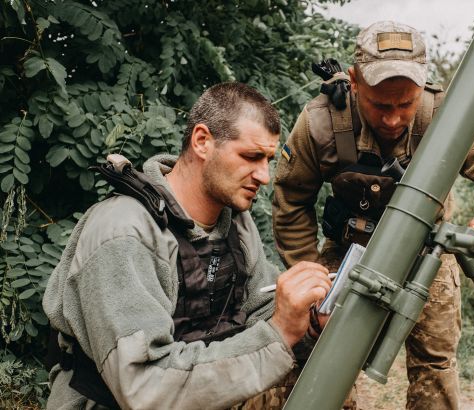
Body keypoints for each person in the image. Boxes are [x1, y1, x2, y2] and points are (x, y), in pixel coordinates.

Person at [272, 21, 474, 409]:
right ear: (355, 82)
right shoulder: (322, 122)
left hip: (427, 260)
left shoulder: (445, 117)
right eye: (380, 105)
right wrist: (306, 273)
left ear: (423, 84)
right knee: (313, 355)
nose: (393, 119)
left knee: (434, 368)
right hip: (347, 254)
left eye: (404, 104)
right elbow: (291, 199)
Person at [43, 82, 333, 409]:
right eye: (251, 157)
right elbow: (145, 388)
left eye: (268, 159)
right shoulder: (124, 233)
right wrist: (279, 333)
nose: (264, 176)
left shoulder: (234, 221)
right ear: (202, 141)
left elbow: (262, 308)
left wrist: (309, 321)